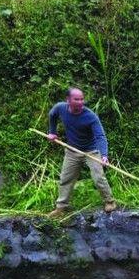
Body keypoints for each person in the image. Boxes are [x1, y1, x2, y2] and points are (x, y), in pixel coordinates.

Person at [44, 88, 117, 217]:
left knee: (98, 177)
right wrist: (52, 132)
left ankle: (110, 202)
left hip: (91, 151)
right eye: (76, 99)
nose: (80, 102)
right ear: (68, 100)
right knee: (66, 178)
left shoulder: (90, 116)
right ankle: (61, 207)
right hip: (72, 150)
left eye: (82, 99)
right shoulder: (60, 108)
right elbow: (52, 115)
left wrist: (104, 155)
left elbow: (100, 136)